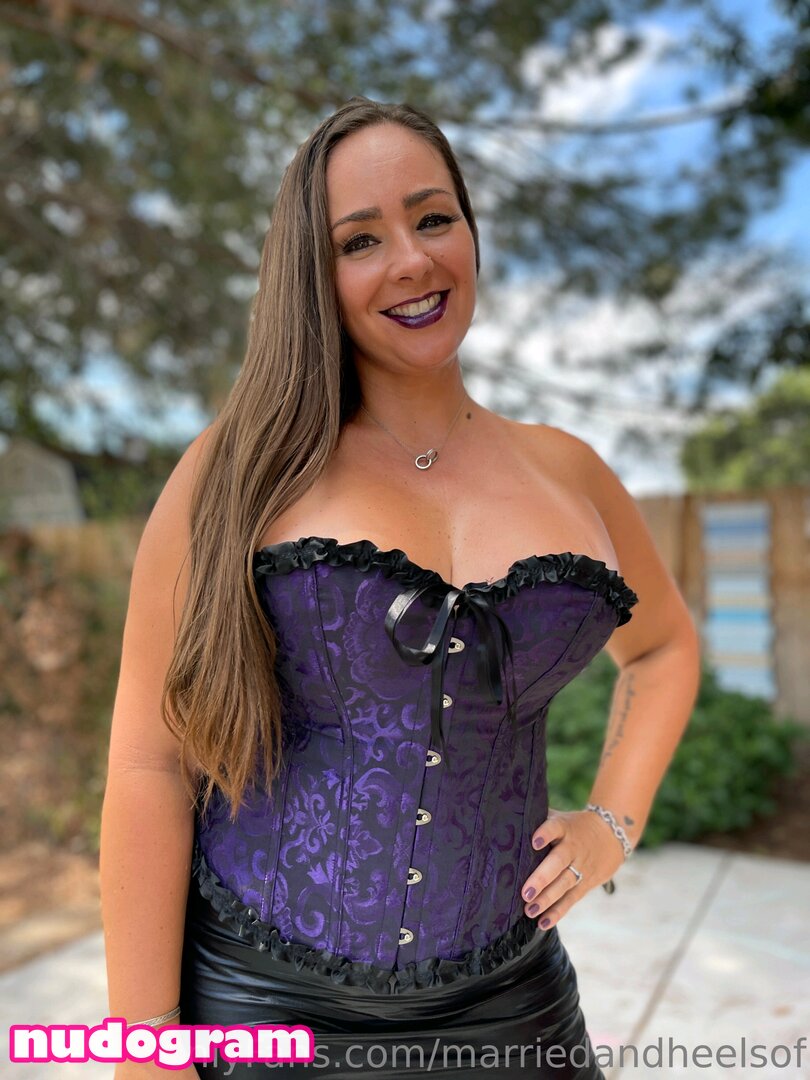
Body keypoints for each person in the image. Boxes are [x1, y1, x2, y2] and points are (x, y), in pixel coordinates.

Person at [100, 96, 701, 1080]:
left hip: (514, 1006)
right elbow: (148, 764)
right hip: (265, 1004)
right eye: (361, 240)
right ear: (314, 274)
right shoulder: (237, 471)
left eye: (433, 218)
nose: (413, 261)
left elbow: (666, 646)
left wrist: (613, 823)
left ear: (471, 232)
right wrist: (142, 1049)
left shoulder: (568, 470)